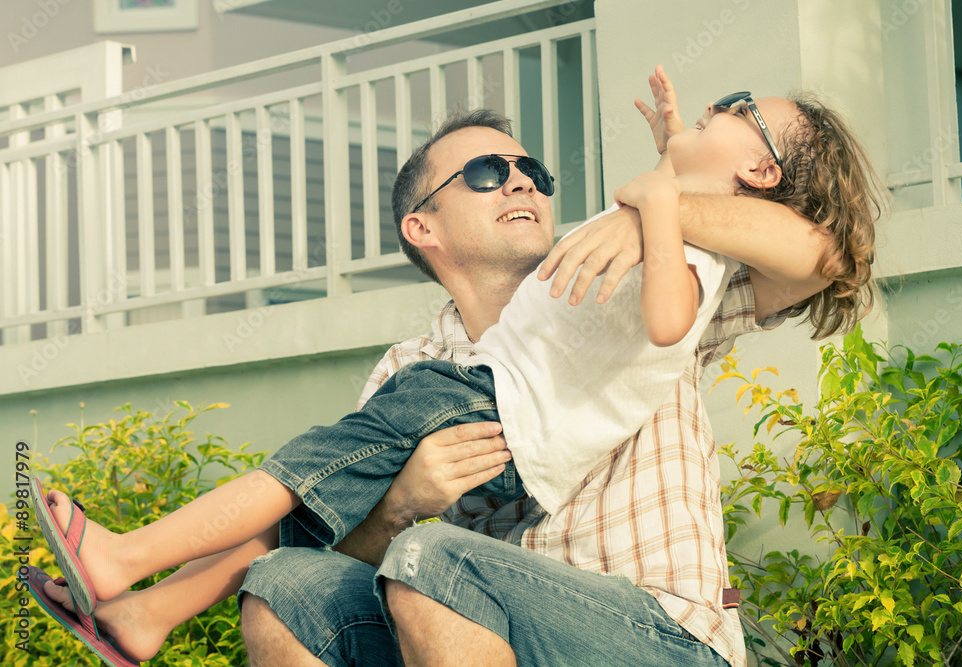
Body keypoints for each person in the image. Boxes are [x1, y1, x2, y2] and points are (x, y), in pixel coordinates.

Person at [27, 67, 882, 666]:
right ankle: (142, 605)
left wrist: (661, 209)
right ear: (423, 228)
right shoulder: (413, 366)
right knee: (294, 569)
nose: (522, 181)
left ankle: (127, 567)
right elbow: (341, 531)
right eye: (485, 172)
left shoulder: (637, 274)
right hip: (464, 602)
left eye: (532, 169)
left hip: (653, 633)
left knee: (438, 557)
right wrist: (400, 502)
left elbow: (827, 251)